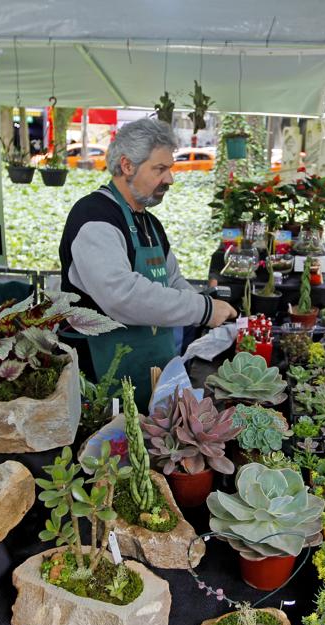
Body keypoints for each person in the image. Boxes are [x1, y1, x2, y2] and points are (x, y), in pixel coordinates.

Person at [59, 118, 236, 409]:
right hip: (102, 379)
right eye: (160, 169)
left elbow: (172, 281)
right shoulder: (94, 217)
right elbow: (122, 295)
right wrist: (203, 310)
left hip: (154, 371)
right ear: (127, 166)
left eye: (170, 168)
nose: (170, 179)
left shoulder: (150, 223)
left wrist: (209, 305)